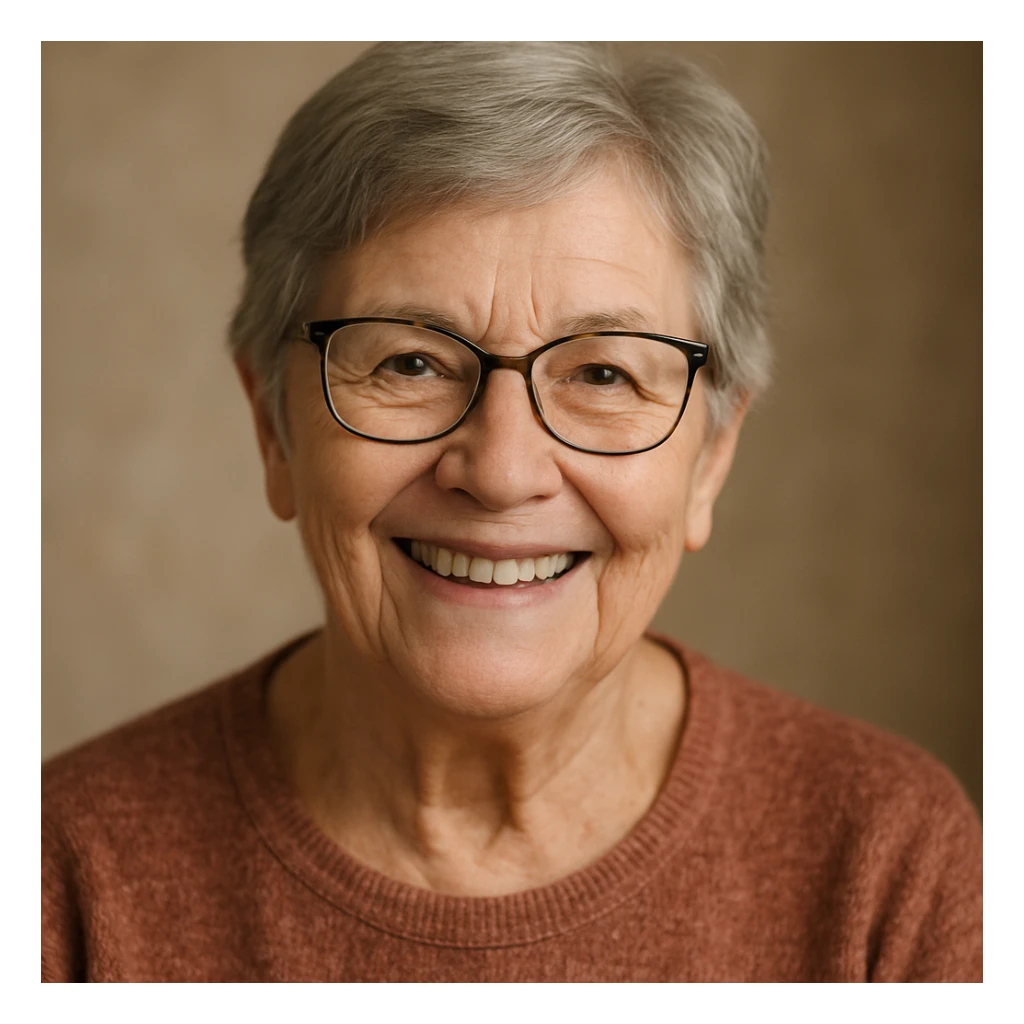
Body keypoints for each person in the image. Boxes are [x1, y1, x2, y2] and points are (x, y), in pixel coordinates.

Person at [41, 41, 982, 983]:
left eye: (603, 374)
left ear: (712, 457)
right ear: (272, 427)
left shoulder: (887, 863)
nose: (501, 471)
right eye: (411, 362)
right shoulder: (60, 874)